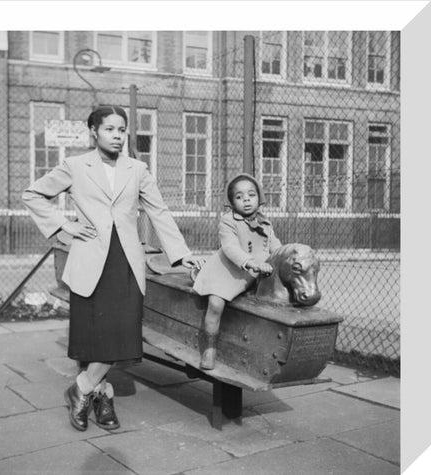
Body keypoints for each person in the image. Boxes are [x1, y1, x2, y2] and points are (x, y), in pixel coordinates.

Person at [22, 105, 203, 432]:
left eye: (122, 130)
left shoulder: (137, 168)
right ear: (94, 131)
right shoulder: (75, 166)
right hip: (89, 260)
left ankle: (80, 389)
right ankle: (103, 396)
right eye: (110, 129)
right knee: (94, 337)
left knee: (122, 333)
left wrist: (180, 254)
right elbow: (33, 195)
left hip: (126, 263)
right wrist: (65, 227)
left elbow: (158, 211)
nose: (118, 136)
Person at [192, 173, 282, 370]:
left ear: (259, 198)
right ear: (232, 202)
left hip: (252, 275)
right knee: (216, 304)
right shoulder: (227, 221)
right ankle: (209, 347)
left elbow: (276, 246)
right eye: (239, 197)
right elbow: (231, 248)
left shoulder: (265, 224)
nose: (246, 200)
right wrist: (251, 263)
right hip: (226, 271)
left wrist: (286, 255)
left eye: (251, 195)